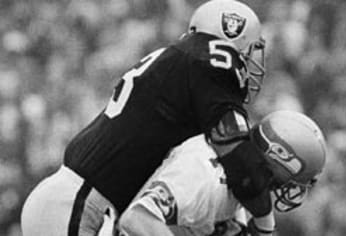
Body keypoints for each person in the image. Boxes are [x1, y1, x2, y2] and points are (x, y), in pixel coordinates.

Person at [21, 0, 265, 235]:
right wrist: (265, 220)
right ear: (231, 35)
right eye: (251, 49)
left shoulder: (181, 68)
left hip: (81, 203)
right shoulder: (208, 60)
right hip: (80, 206)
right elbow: (237, 156)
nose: (253, 60)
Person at [118, 110, 327, 236]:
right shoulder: (204, 173)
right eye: (293, 182)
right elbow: (137, 219)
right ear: (277, 157)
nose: (290, 189)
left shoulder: (243, 180)